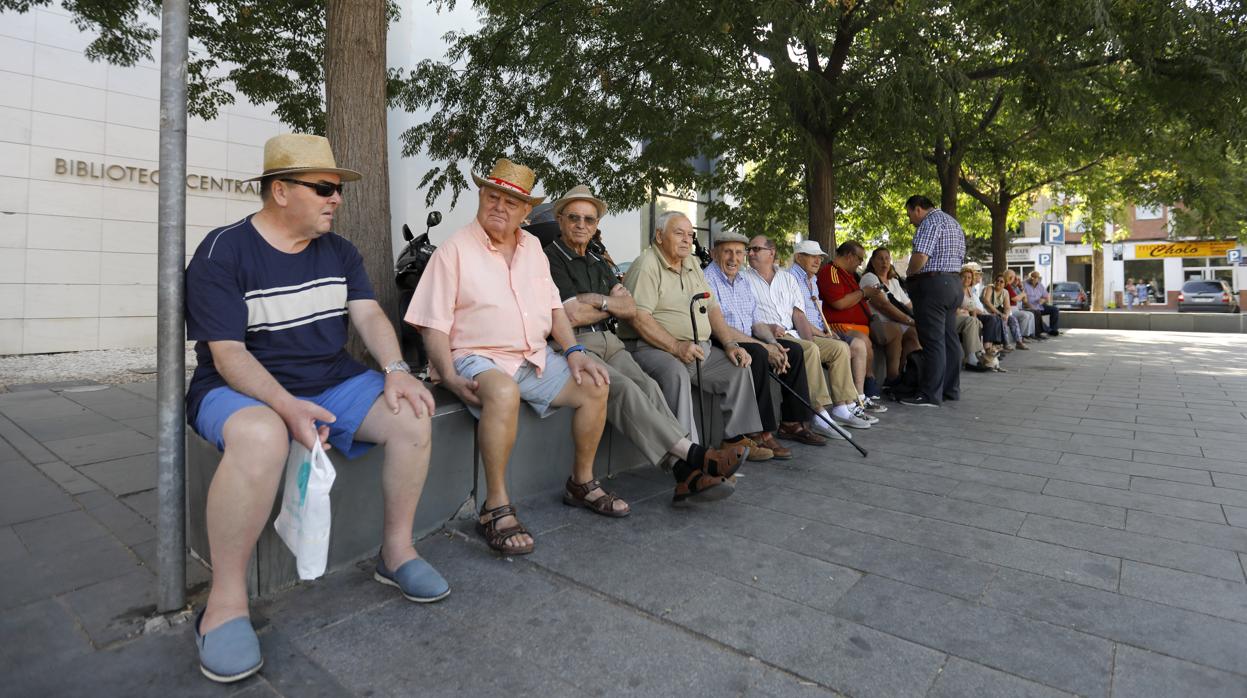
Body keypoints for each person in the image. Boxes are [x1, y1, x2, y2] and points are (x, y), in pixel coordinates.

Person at [185, 134, 446, 683]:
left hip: (329, 379)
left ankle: (395, 554)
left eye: (338, 189)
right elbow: (227, 356)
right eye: (324, 188)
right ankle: (225, 604)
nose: (336, 199)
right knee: (263, 436)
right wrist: (285, 408)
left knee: (413, 413)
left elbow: (370, 316)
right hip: (241, 388)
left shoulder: (340, 251)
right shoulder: (222, 252)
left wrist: (397, 369)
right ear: (280, 191)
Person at [406, 158, 617, 556]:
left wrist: (573, 351)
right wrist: (448, 376)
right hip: (478, 356)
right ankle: (495, 507)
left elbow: (554, 307)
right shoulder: (454, 250)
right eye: (492, 196)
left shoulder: (533, 246)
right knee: (503, 392)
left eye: (511, 202)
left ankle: (581, 482)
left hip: (533, 356)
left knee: (595, 381)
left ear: (525, 211)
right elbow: (432, 323)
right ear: (481, 198)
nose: (500, 206)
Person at [543, 185, 746, 503]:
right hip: (574, 344)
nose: (582, 225)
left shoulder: (596, 258)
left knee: (649, 388)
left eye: (589, 219)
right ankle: (695, 457)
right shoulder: (550, 258)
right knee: (621, 388)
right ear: (560, 220)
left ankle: (686, 474)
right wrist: (609, 301)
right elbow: (569, 314)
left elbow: (630, 308)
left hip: (608, 340)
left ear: (596, 225)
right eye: (574, 217)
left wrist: (596, 301)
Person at [618, 211, 780, 460]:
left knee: (738, 366)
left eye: (690, 235)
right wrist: (675, 346)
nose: (686, 239)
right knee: (676, 374)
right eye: (679, 233)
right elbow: (639, 318)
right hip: (651, 348)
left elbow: (712, 306)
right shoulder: (647, 266)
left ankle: (734, 441)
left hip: (696, 347)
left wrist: (729, 344)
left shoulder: (691, 262)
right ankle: (691, 456)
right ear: (660, 236)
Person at [704, 232, 826, 448]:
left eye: (739, 253)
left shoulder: (741, 280)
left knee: (793, 351)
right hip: (723, 341)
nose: (734, 258)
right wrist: (764, 347)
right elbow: (720, 327)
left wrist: (774, 343)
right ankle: (761, 431)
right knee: (759, 354)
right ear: (714, 254)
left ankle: (792, 423)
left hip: (747, 337)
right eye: (727, 252)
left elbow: (756, 322)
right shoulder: (708, 279)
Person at [743, 235, 863, 436]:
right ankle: (819, 413)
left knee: (839, 348)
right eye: (750, 250)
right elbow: (749, 318)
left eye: (756, 249)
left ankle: (842, 407)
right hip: (769, 337)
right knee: (809, 349)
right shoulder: (744, 278)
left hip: (795, 333)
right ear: (799, 257)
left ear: (771, 253)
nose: (751, 253)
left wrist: (812, 340)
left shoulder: (787, 278)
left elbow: (799, 315)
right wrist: (771, 329)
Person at [788, 240, 879, 427]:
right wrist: (824, 333)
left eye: (819, 257)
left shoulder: (812, 279)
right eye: (812, 256)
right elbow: (799, 316)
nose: (817, 260)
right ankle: (837, 408)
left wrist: (825, 331)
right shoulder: (792, 278)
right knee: (843, 347)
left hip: (822, 329)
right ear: (798, 257)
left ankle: (855, 401)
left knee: (857, 345)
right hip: (806, 333)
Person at [902, 195, 966, 406]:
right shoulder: (953, 223)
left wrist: (909, 275)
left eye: (910, 214)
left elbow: (921, 256)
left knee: (933, 341)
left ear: (918, 209)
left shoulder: (930, 222)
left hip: (933, 285)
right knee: (949, 338)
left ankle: (930, 395)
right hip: (954, 284)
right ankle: (950, 390)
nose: (910, 220)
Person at [860, 248, 922, 378]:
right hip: (879, 323)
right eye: (880, 258)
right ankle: (893, 377)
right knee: (897, 330)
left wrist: (922, 319)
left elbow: (909, 306)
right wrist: (910, 321)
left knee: (916, 333)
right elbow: (884, 306)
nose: (884, 262)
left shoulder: (894, 281)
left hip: (899, 322)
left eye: (887, 258)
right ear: (872, 261)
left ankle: (908, 374)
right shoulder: (869, 278)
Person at [962, 263, 1007, 353]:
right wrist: (982, 313)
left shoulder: (972, 289)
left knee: (997, 318)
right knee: (992, 318)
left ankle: (995, 346)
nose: (980, 276)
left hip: (980, 312)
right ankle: (987, 347)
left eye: (980, 274)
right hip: (974, 314)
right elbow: (974, 306)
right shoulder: (966, 288)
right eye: (978, 274)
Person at [983, 273, 1028, 350]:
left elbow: (1007, 307)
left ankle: (1019, 342)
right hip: (987, 312)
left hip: (997, 312)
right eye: (997, 281)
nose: (999, 283)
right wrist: (1000, 314)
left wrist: (1006, 315)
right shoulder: (990, 288)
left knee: (1012, 319)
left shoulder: (1005, 292)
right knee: (1002, 319)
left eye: (1001, 282)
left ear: (1005, 284)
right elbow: (987, 302)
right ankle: (1006, 343)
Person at [1003, 270, 1043, 341]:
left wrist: (1022, 291)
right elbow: (1015, 299)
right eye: (1014, 277)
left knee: (1031, 314)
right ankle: (1021, 336)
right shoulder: (1007, 286)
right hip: (1010, 309)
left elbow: (1024, 300)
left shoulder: (1011, 286)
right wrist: (1023, 294)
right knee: (1025, 316)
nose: (1015, 280)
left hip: (1015, 308)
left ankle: (1028, 335)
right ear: (1010, 277)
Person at [1023, 271, 1061, 336]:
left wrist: (1043, 300)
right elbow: (1024, 301)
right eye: (1032, 277)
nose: (1034, 279)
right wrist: (1032, 307)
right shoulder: (1024, 285)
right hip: (1029, 307)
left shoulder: (1040, 285)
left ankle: (1054, 329)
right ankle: (1049, 331)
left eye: (1036, 277)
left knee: (1055, 309)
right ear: (1029, 277)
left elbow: (1047, 296)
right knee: (1037, 313)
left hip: (1040, 306)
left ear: (1038, 278)